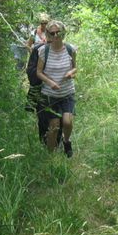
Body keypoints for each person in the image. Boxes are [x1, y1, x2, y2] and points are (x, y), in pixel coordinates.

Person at [36, 20, 77, 157]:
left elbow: (75, 67)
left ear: (63, 33)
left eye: (58, 32)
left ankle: (66, 141)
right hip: (49, 94)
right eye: (52, 33)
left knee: (67, 121)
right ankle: (51, 157)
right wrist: (50, 82)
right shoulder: (43, 51)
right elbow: (39, 72)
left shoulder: (71, 49)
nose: (55, 36)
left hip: (67, 93)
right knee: (53, 127)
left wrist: (71, 73)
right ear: (48, 34)